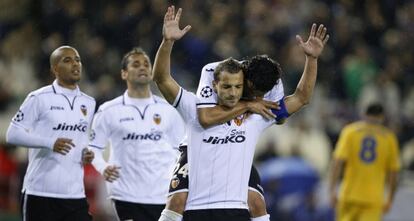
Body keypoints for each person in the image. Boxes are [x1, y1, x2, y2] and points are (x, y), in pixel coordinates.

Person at [155, 6, 328, 221]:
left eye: (258, 95)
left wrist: (311, 60)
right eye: (230, 88)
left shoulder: (267, 95)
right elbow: (205, 117)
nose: (252, 97)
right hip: (196, 150)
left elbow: (299, 99)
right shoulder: (214, 73)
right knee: (178, 200)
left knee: (256, 203)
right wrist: (168, 42)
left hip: (233, 166)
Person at [88, 47, 186, 221]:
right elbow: (93, 149)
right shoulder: (108, 110)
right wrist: (103, 168)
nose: (142, 67)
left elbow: (181, 151)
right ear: (124, 73)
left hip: (163, 195)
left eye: (146, 64)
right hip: (126, 195)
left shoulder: (168, 110)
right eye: (136, 64)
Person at [5, 46, 96, 221]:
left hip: (74, 195)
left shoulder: (89, 102)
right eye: (67, 60)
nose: (75, 64)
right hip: (40, 192)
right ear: (55, 69)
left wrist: (86, 153)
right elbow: (12, 134)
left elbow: (81, 138)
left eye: (77, 59)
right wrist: (50, 143)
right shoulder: (39, 98)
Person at [329, 103, 401, 221]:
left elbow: (337, 162)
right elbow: (394, 172)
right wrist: (390, 198)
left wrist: (332, 190)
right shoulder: (389, 138)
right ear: (382, 117)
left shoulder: (350, 132)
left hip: (349, 195)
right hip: (373, 199)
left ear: (364, 114)